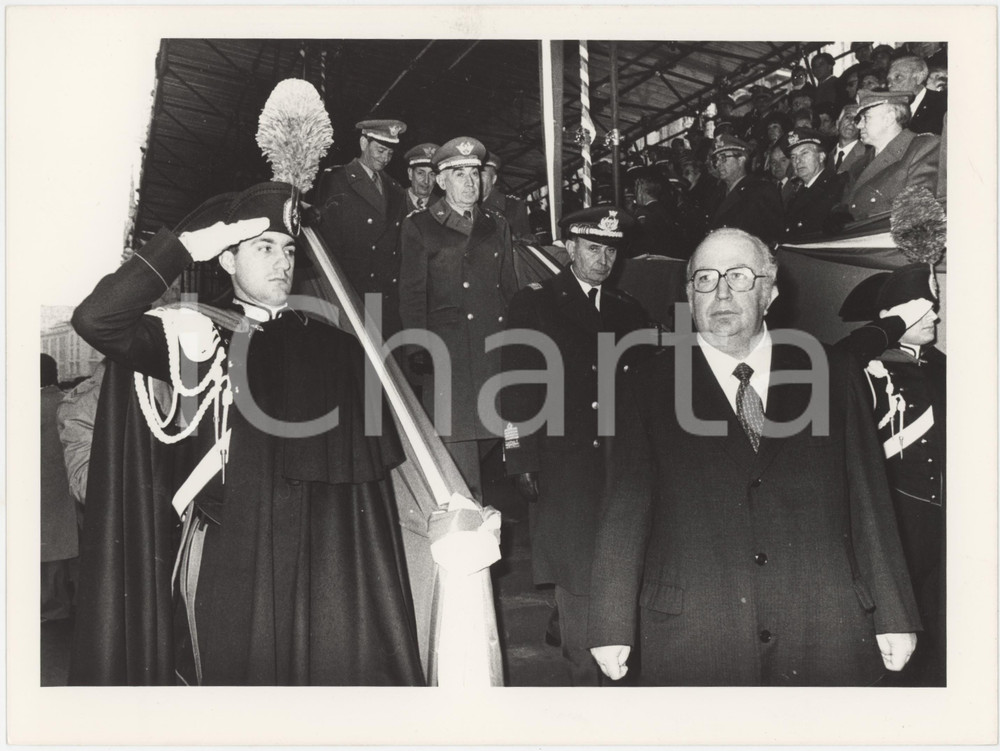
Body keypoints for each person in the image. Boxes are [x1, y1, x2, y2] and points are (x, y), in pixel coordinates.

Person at [71, 181, 423, 685]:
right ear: (227, 260)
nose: (282, 261)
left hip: (320, 561)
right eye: (264, 247)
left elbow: (375, 489)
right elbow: (96, 319)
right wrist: (184, 249)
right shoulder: (197, 333)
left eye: (288, 249)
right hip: (228, 559)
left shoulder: (336, 348)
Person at [586, 228, 921, 686]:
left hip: (823, 623)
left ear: (771, 291)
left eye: (740, 276)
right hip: (696, 629)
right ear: (689, 294)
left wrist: (894, 611)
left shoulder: (831, 372)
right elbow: (622, 508)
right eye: (704, 278)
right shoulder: (645, 384)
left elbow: (870, 499)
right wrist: (610, 621)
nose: (721, 291)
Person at [500, 206, 648, 685]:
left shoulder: (629, 309)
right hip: (564, 458)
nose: (603, 258)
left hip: (621, 458)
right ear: (568, 248)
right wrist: (519, 452)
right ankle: (584, 679)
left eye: (610, 249)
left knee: (620, 560)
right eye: (592, 247)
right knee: (577, 569)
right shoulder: (535, 303)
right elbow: (516, 382)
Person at [837, 264, 946, 686]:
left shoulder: (941, 365)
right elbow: (841, 357)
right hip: (896, 505)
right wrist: (892, 326)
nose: (935, 317)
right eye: (922, 311)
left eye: (933, 308)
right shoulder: (866, 365)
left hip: (941, 509)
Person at [398, 137, 518, 502]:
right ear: (440, 181)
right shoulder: (420, 226)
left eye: (476, 173)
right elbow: (412, 292)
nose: (471, 182)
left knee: (496, 439)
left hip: (492, 346)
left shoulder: (497, 225)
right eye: (459, 173)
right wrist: (418, 344)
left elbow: (509, 288)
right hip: (449, 354)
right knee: (459, 456)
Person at [315, 119, 409, 337]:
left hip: (385, 295)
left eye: (390, 153)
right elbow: (326, 241)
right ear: (363, 142)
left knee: (379, 362)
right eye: (381, 150)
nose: (385, 158)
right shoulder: (337, 179)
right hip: (351, 290)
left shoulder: (395, 189)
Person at [842, 91, 940, 220]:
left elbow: (916, 209)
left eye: (866, 118)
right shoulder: (858, 165)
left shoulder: (923, 148)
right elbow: (845, 203)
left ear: (889, 118)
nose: (859, 125)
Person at [41, 354, 78, 622]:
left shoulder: (33, 406)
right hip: (69, 488)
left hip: (45, 490)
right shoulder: (65, 401)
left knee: (50, 552)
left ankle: (54, 608)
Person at [706, 135, 784, 244]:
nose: (718, 164)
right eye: (716, 160)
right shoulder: (717, 194)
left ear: (741, 160)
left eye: (723, 158)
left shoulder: (761, 191)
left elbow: (772, 236)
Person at [784, 128, 847, 237]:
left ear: (821, 156)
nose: (797, 161)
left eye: (804, 153)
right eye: (793, 157)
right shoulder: (795, 195)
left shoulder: (837, 185)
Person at [481, 152, 535, 243]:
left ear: (494, 179)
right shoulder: (466, 205)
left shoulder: (513, 206)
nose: (476, 181)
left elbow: (526, 243)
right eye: (474, 175)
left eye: (482, 176)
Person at [887, 54, 947, 136]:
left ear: (919, 77)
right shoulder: (887, 110)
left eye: (898, 77)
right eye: (889, 81)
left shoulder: (941, 104)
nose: (890, 85)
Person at [828, 103, 872, 188]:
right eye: (847, 117)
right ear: (837, 124)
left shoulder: (867, 156)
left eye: (857, 119)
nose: (852, 122)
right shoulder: (826, 156)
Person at [403, 142, 439, 213]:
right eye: (420, 173)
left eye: (432, 174)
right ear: (410, 173)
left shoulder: (441, 206)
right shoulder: (395, 200)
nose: (426, 181)